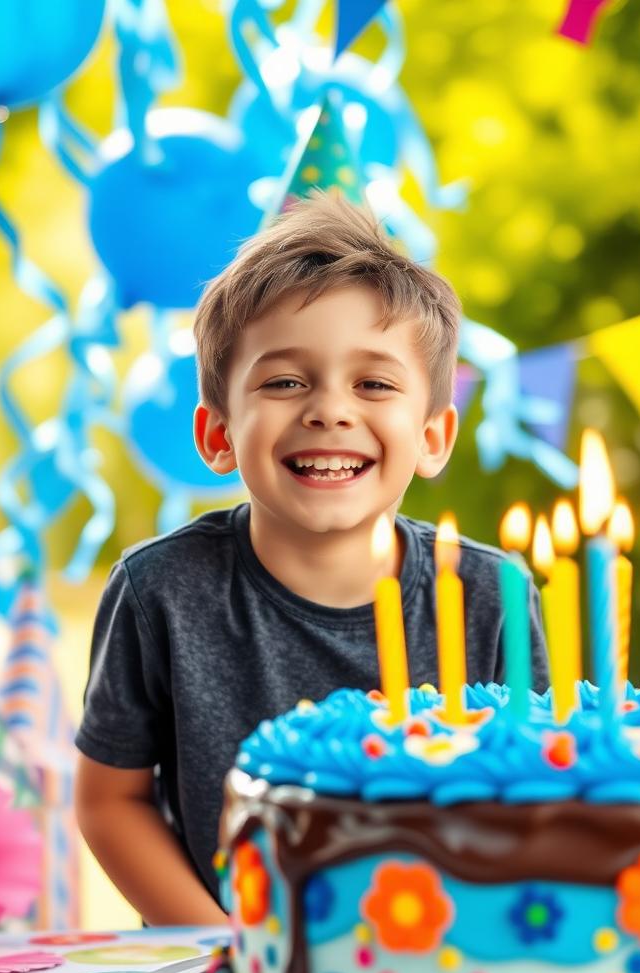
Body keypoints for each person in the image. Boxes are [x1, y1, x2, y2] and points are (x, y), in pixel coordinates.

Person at [74, 192, 550, 925]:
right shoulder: (158, 591)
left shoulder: (493, 594)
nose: (330, 409)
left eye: (375, 383)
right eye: (286, 381)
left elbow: (540, 798)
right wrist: (229, 951)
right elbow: (111, 801)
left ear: (432, 434)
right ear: (217, 434)